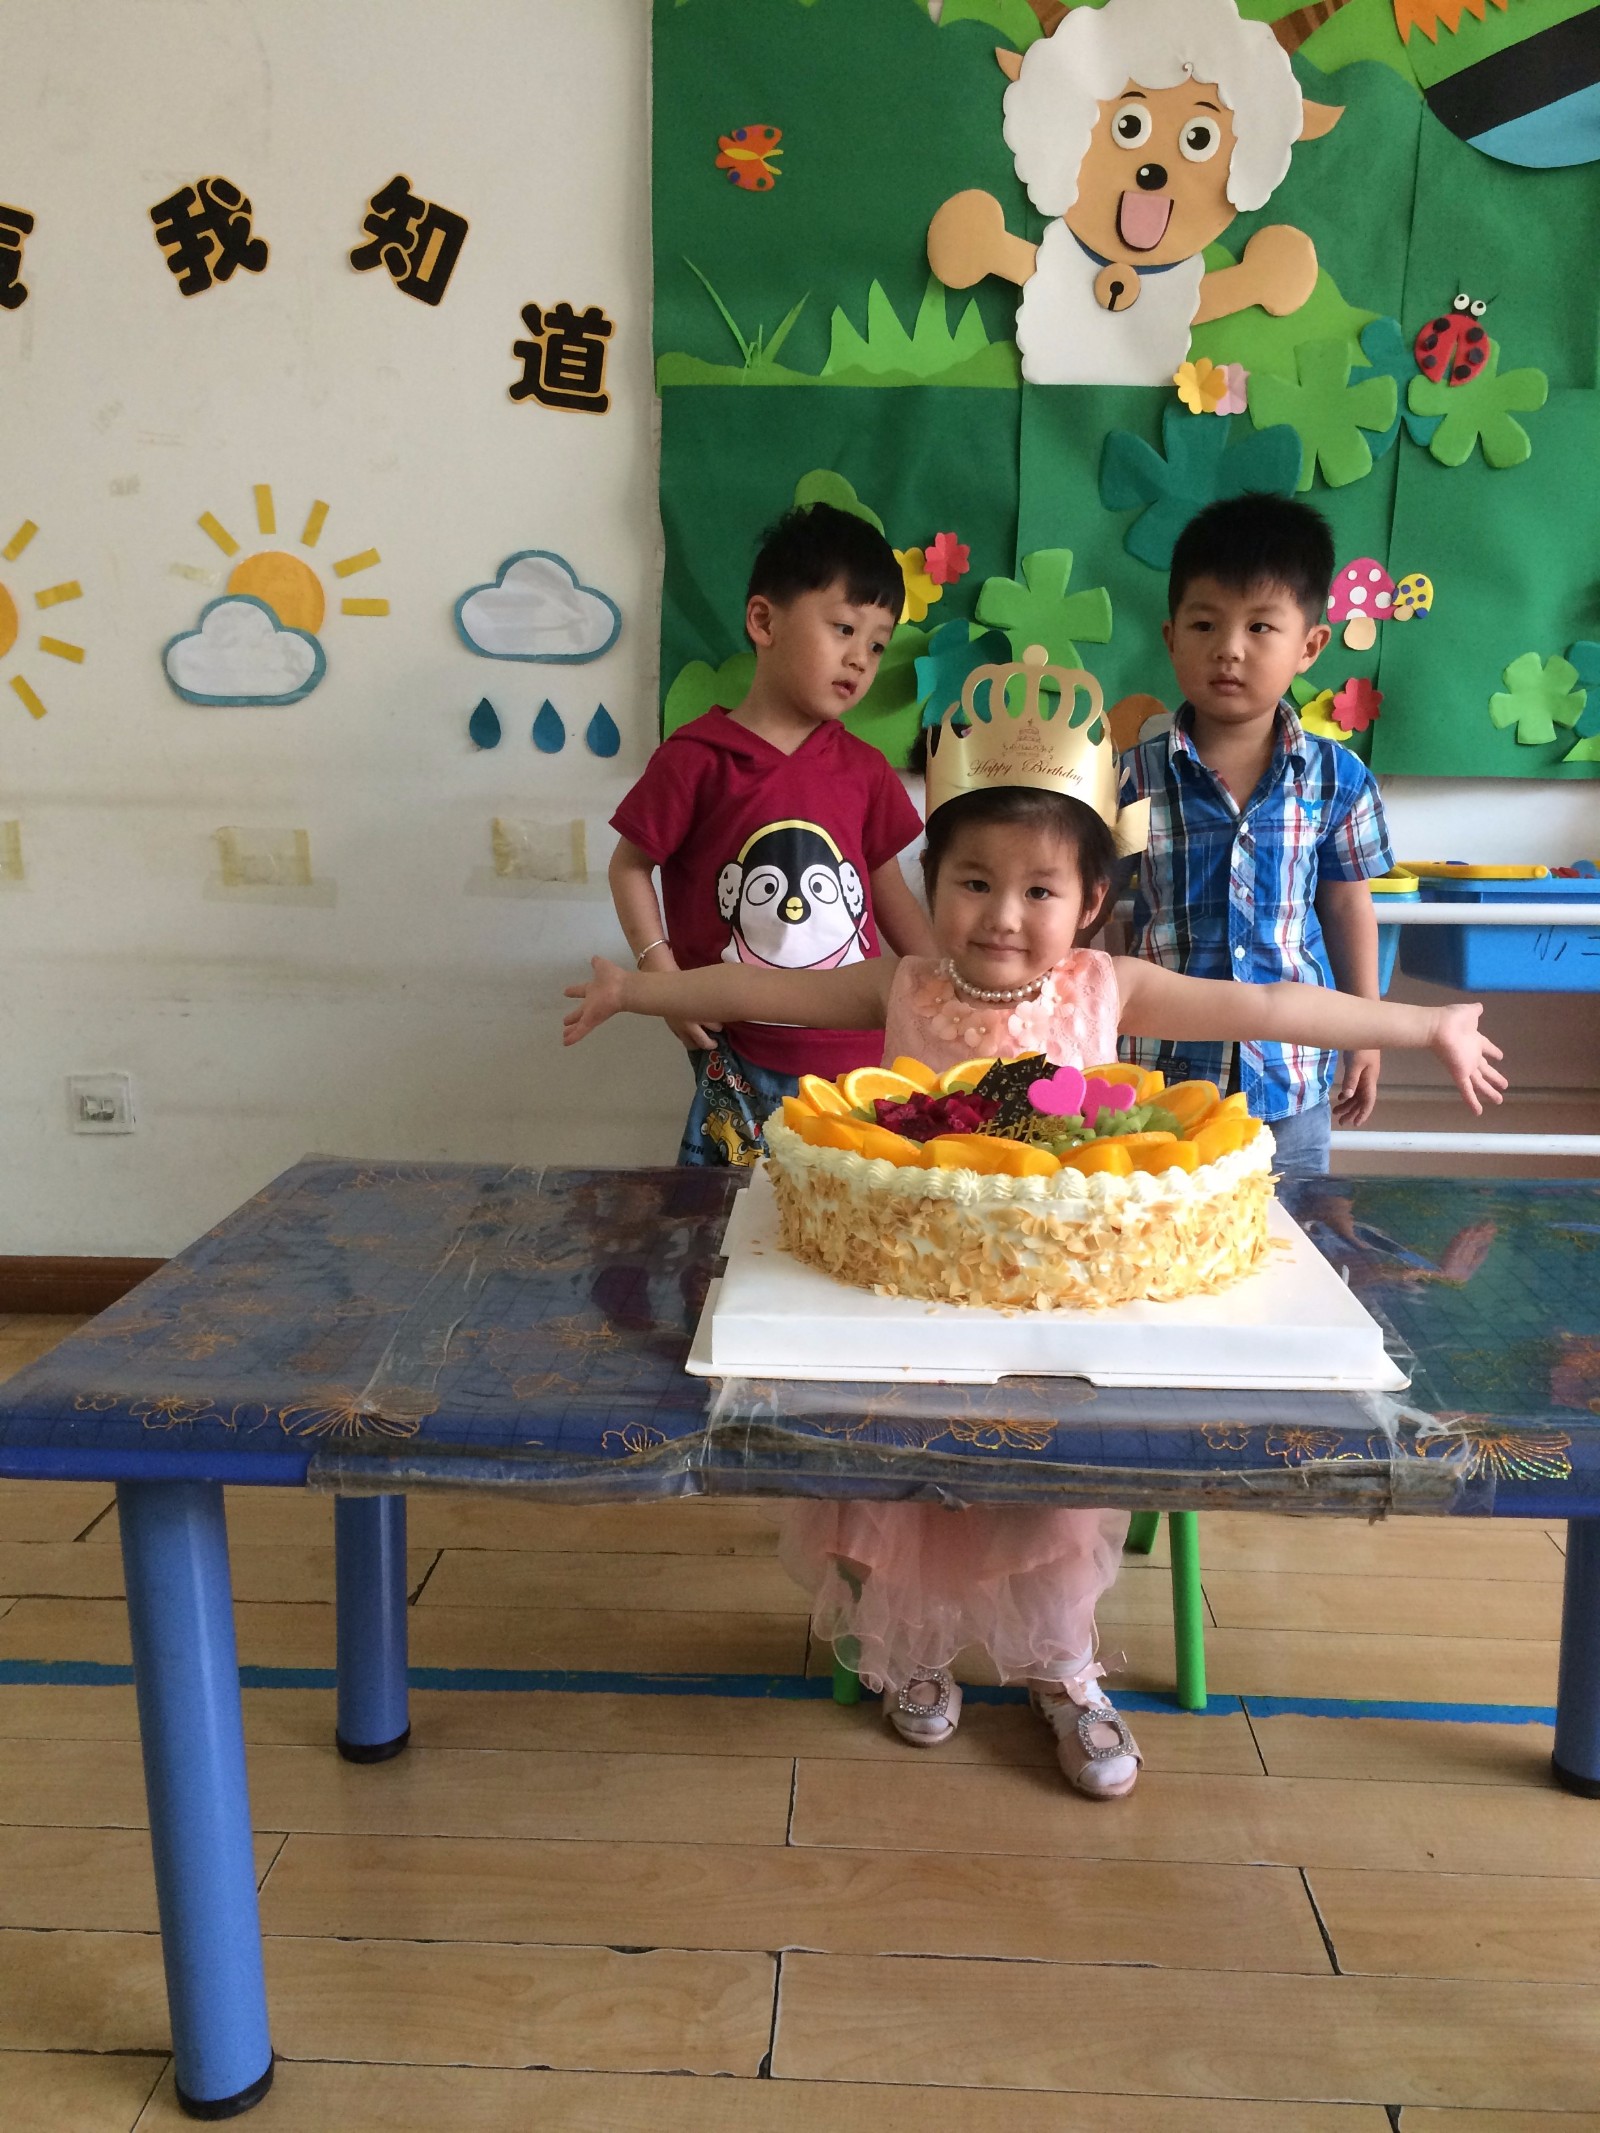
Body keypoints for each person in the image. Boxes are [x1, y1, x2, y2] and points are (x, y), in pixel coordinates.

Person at [566, 711, 1503, 1797]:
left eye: (1039, 890)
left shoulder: (1108, 985)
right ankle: (913, 1651)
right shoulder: (901, 983)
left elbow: (1268, 1002)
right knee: (900, 1479)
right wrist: (637, 989)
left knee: (1054, 1487)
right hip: (914, 1305)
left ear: (1091, 900)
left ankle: (1065, 1671)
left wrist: (1421, 1026)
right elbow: (748, 989)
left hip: (1062, 1317)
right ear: (931, 882)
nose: (1002, 916)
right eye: (973, 882)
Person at [608, 502, 934, 1167]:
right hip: (737, 1051)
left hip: (861, 1052)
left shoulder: (865, 769)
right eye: (843, 628)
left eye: (877, 644)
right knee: (729, 1211)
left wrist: (944, 982)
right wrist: (661, 975)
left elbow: (887, 889)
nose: (860, 659)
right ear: (764, 621)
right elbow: (630, 866)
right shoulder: (696, 758)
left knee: (856, 1209)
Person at [1118, 494, 1393, 1178]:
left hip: (1291, 1078)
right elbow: (1087, 903)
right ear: (1171, 637)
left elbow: (1347, 907)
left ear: (1310, 646)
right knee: (1162, 1232)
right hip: (1161, 1080)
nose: (1229, 649)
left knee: (1292, 1231)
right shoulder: (1129, 777)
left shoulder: (1337, 778)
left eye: (1260, 626)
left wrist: (1366, 1034)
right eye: (1204, 623)